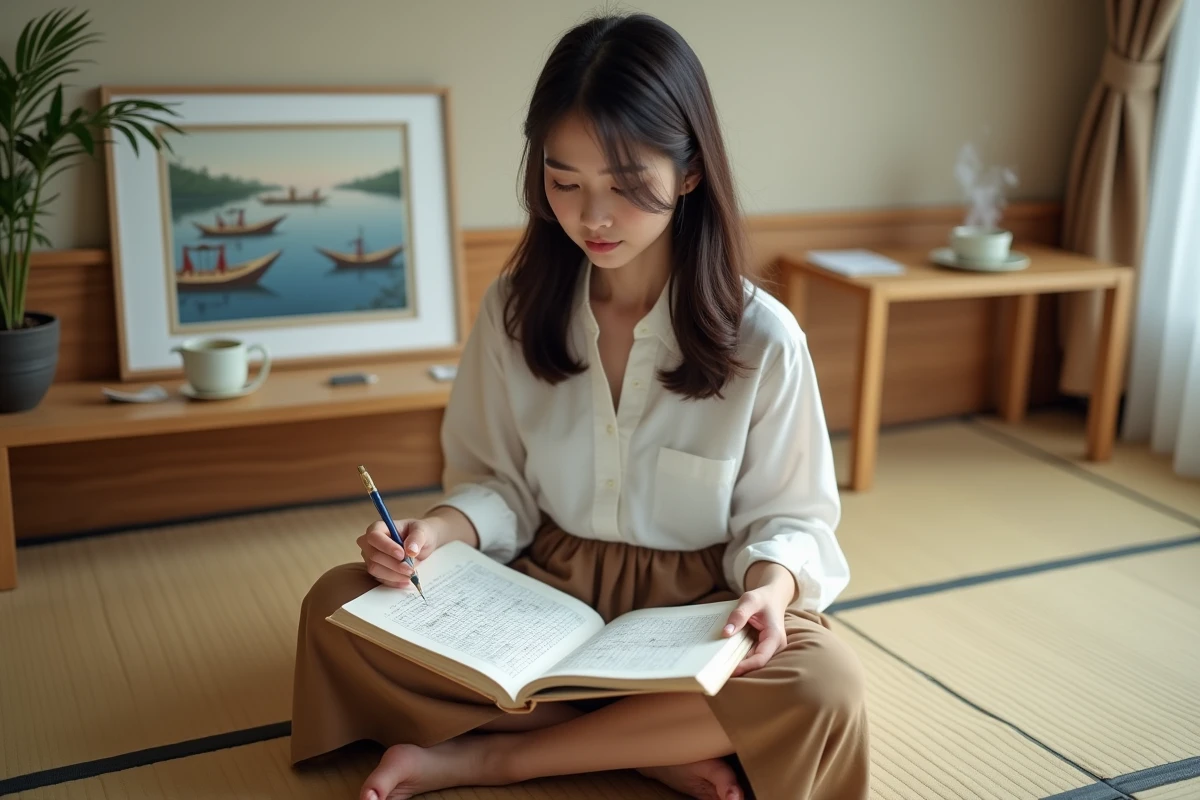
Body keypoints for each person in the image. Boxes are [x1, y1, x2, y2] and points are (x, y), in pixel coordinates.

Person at [291, 12, 868, 800]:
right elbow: (499, 486)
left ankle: (494, 756)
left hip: (699, 610)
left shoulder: (762, 337)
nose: (592, 218)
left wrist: (770, 591)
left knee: (821, 681)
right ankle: (647, 744)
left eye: (627, 187)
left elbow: (790, 520)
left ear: (690, 171)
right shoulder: (515, 307)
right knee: (340, 605)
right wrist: (434, 535)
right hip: (539, 591)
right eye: (565, 183)